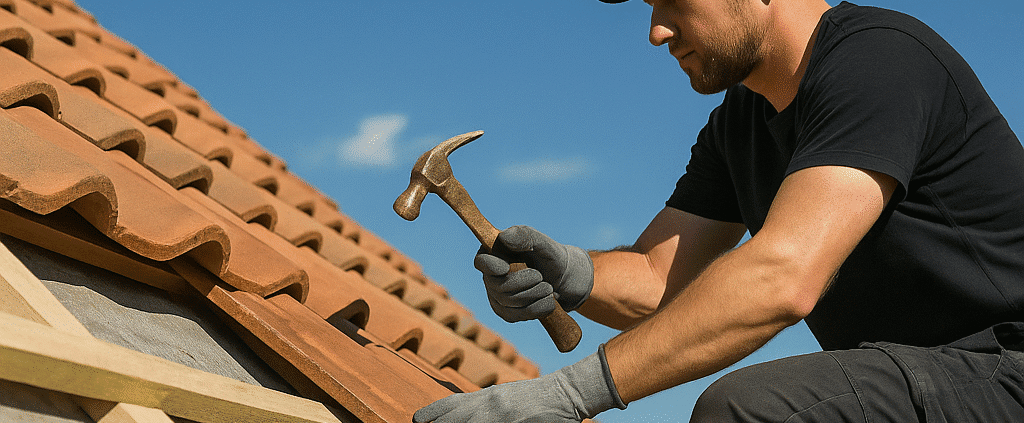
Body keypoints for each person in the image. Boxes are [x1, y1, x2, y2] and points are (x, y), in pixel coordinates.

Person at [414, 0, 1024, 421]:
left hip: (1008, 373)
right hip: (926, 380)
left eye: (673, 1)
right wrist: (571, 274)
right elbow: (658, 283)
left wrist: (569, 394)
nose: (656, 31)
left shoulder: (880, 59)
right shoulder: (739, 123)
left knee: (758, 411)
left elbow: (782, 277)